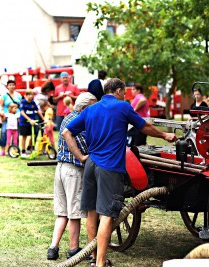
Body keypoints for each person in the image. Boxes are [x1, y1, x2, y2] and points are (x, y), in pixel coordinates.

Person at [63, 78, 177, 267]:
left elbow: (67, 132)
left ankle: (93, 258)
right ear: (117, 91)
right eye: (124, 92)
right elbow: (144, 126)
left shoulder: (91, 109)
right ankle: (100, 263)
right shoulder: (122, 107)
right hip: (109, 167)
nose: (125, 96)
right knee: (107, 214)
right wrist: (165, 135)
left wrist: (82, 157)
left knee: (92, 212)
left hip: (91, 164)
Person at [47, 92, 97, 261]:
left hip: (60, 168)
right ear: (84, 108)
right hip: (72, 171)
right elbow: (85, 148)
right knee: (74, 212)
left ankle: (53, 248)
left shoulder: (67, 118)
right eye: (92, 106)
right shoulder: (79, 123)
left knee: (62, 212)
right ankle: (73, 249)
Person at [0, 80, 22, 156]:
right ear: (7, 86)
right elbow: (1, 106)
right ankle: (3, 150)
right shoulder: (4, 95)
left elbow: (20, 106)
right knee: (3, 132)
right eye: (10, 85)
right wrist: (1, 113)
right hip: (7, 116)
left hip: (16, 116)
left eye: (13, 85)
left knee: (16, 134)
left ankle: (15, 150)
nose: (11, 86)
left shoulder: (18, 95)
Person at [19, 89, 44, 157]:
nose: (31, 96)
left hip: (32, 123)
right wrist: (29, 120)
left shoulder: (33, 102)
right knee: (24, 136)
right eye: (29, 95)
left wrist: (43, 118)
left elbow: (38, 110)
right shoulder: (23, 102)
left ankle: (29, 149)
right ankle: (23, 151)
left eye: (32, 95)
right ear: (26, 95)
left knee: (33, 135)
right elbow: (22, 112)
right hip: (24, 122)